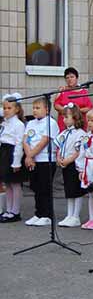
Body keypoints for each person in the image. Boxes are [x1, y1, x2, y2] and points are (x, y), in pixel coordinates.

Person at [23, 98, 59, 227]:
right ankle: (38, 213)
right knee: (36, 188)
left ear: (47, 109)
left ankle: (47, 215)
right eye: (34, 108)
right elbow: (25, 140)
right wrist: (29, 157)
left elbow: (43, 142)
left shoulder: (50, 123)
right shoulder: (31, 123)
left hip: (46, 160)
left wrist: (29, 156)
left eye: (38, 108)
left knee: (45, 188)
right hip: (33, 160)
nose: (34, 110)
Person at [55, 104, 87, 227]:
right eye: (63, 117)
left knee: (76, 190)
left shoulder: (80, 133)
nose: (64, 119)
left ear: (75, 117)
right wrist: (59, 157)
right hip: (65, 165)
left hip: (75, 164)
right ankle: (69, 214)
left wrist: (69, 160)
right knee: (68, 190)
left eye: (66, 117)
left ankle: (76, 216)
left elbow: (79, 150)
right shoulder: (64, 133)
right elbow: (59, 146)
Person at [0, 94, 26, 223]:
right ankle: (8, 210)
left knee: (15, 183)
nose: (5, 110)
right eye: (4, 108)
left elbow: (19, 143)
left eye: (9, 108)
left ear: (16, 109)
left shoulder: (18, 124)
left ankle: (15, 211)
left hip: (13, 153)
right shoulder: (5, 123)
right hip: (4, 152)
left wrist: (16, 162)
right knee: (8, 183)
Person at [54, 67, 93, 131]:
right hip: (64, 124)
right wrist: (67, 111)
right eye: (67, 78)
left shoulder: (83, 92)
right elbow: (56, 105)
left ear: (76, 78)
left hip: (79, 124)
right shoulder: (62, 90)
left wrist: (77, 111)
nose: (70, 79)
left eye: (72, 77)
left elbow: (89, 107)